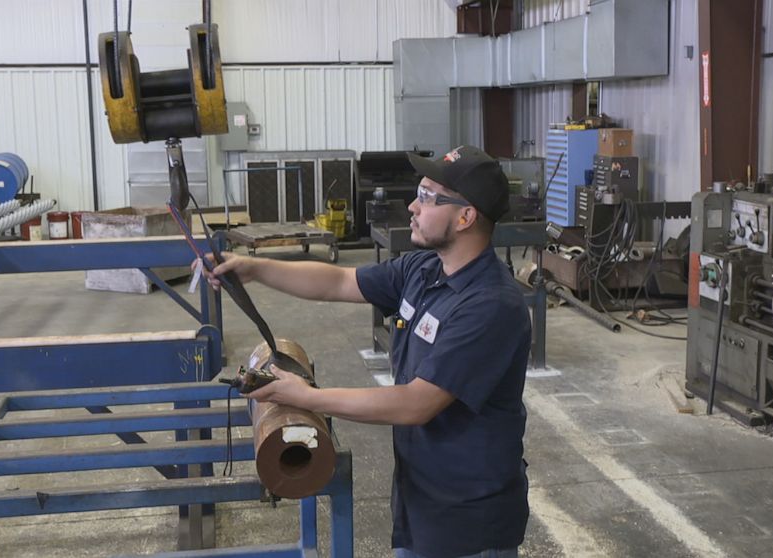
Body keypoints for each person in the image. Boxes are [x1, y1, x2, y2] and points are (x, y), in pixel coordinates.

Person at [204, 145, 530, 558]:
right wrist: (255, 269)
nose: (412, 205)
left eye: (428, 197)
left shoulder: (491, 305)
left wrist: (308, 397)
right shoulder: (424, 269)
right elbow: (339, 282)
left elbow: (416, 403)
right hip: (420, 500)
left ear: (466, 217)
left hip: (470, 520)